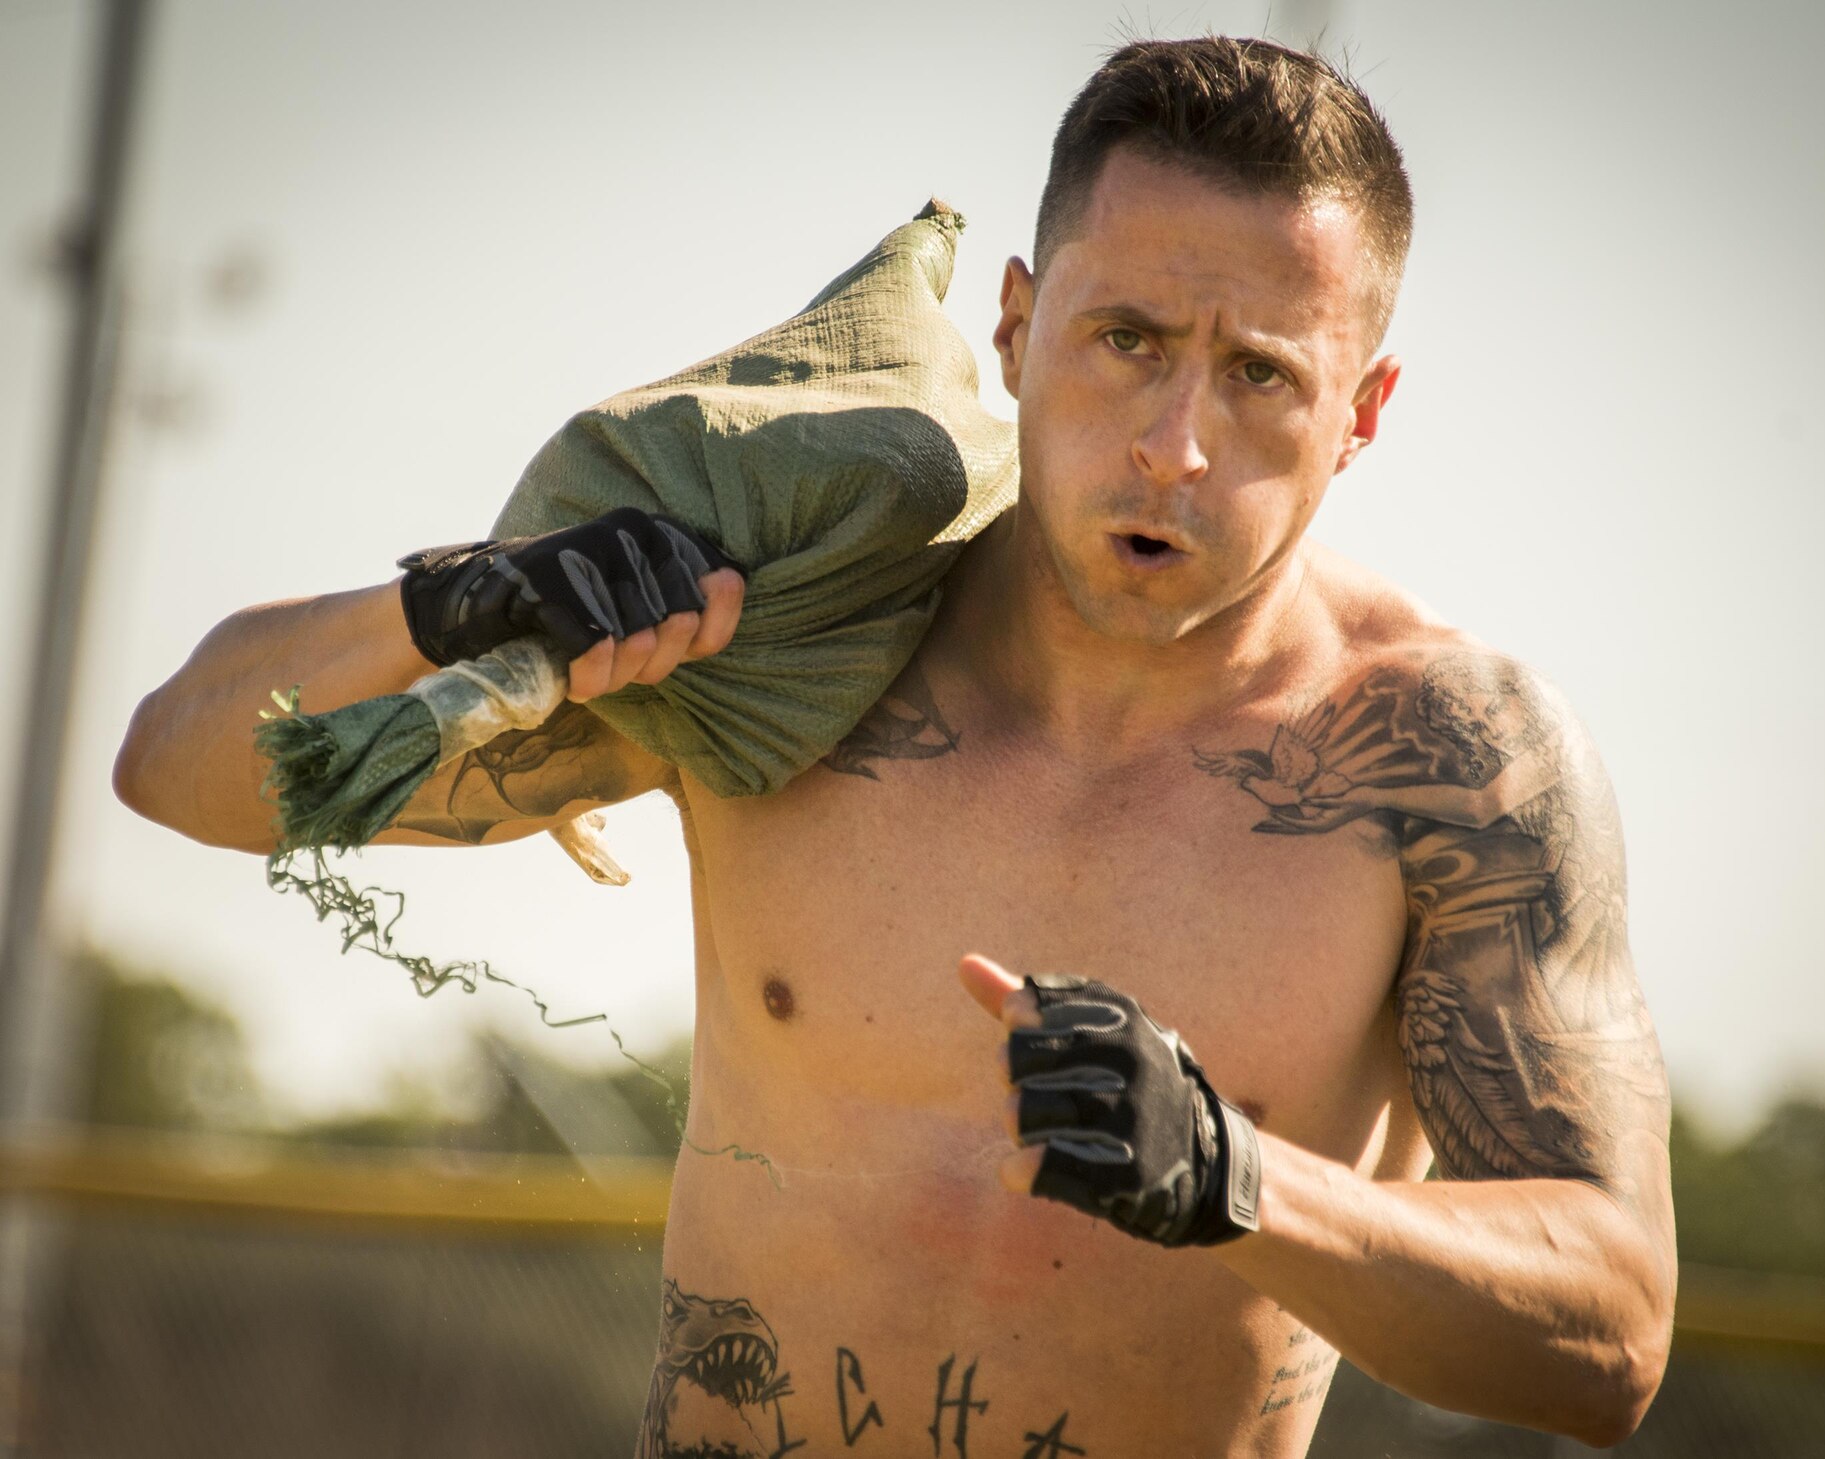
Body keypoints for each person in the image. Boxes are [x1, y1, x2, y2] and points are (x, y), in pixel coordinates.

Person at [114, 36, 1675, 1457]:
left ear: (1365, 411)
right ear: (1013, 324)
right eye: (1124, 338)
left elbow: (1607, 1332)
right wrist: (454, 608)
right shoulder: (804, 629)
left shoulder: (1452, 766)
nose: (1175, 445)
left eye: (1262, 375)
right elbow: (179, 767)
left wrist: (1239, 1182)